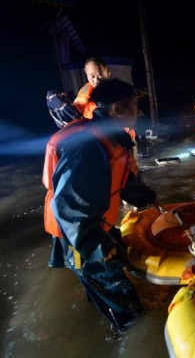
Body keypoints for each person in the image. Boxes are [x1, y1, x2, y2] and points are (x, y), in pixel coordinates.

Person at [42, 78, 157, 332]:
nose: (138, 112)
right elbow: (66, 205)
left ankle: (96, 311)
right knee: (129, 313)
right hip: (77, 234)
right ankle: (125, 332)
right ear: (116, 109)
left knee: (108, 272)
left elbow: (123, 182)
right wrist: (95, 246)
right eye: (134, 106)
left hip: (92, 224)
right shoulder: (88, 146)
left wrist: (149, 199)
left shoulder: (113, 139)